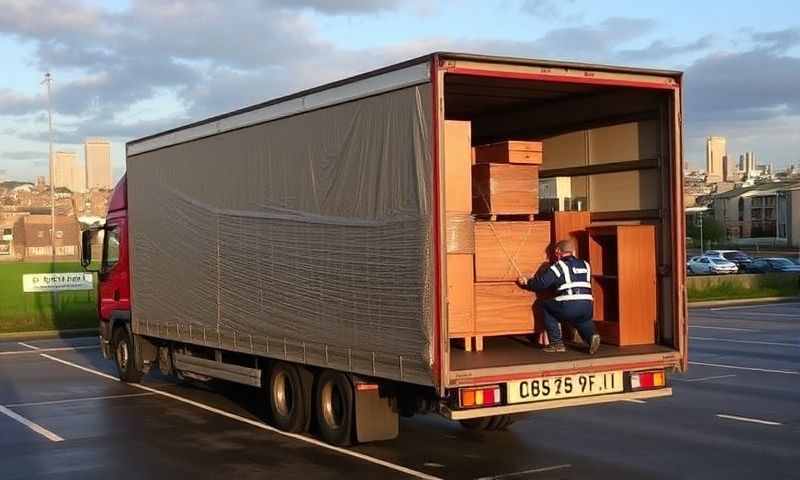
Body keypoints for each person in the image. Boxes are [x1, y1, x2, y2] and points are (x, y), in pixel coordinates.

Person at [517, 239, 601, 354]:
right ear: (573, 252)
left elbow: (541, 283)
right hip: (587, 305)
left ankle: (556, 343)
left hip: (569, 304)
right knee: (583, 320)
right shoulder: (585, 264)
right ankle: (592, 336)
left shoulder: (560, 265)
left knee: (546, 306)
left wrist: (527, 283)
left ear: (558, 251)